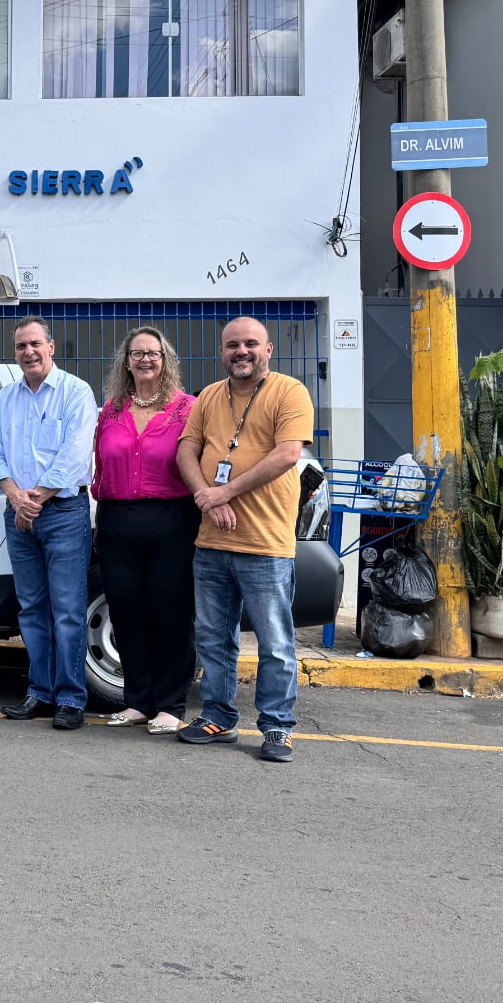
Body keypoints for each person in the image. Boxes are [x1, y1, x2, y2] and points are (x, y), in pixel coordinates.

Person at [175, 316, 314, 762]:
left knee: (275, 642)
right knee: (214, 637)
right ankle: (217, 715)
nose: (242, 351)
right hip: (211, 543)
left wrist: (226, 491)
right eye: (233, 345)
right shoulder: (209, 397)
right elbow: (186, 450)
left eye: (251, 343)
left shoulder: (289, 392)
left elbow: (288, 454)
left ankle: (276, 727)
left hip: (266, 543)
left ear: (268, 349)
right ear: (222, 352)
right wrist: (206, 497)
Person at [0, 316, 97, 730]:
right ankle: (40, 693)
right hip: (19, 515)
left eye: (35, 344)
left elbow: (75, 454)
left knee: (67, 610)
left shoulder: (75, 392)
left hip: (64, 513)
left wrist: (36, 498)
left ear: (51, 347)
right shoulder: (5, 399)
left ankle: (70, 699)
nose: (28, 352)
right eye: (20, 347)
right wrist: (17, 497)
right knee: (31, 608)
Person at [91, 327, 197, 735]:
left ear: (165, 360)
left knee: (170, 611)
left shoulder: (187, 408)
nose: (145, 360)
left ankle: (170, 704)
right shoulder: (112, 410)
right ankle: (137, 702)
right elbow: (100, 466)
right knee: (126, 610)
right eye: (137, 353)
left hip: (172, 519)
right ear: (126, 361)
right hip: (118, 518)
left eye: (153, 353)